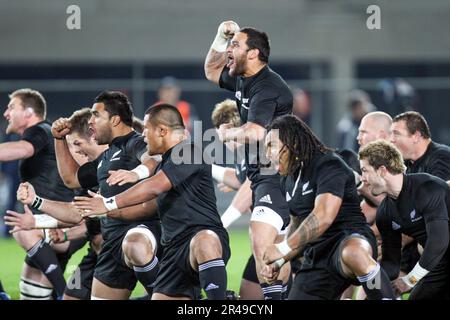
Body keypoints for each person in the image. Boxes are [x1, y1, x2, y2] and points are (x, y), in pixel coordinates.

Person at [74, 104, 230, 300]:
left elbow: (154, 187)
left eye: (147, 129)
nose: (144, 135)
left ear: (162, 131)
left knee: (204, 240)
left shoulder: (189, 151)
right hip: (173, 252)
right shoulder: (165, 163)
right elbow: (149, 204)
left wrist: (109, 203)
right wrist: (106, 210)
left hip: (200, 241)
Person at [262, 115, 395, 300]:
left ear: (291, 142)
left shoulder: (328, 164)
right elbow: (297, 224)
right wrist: (280, 260)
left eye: (271, 146)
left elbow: (323, 216)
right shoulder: (288, 178)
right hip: (317, 253)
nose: (267, 153)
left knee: (354, 253)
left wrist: (283, 247)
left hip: (349, 237)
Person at [204, 21, 292, 299]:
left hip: (276, 176)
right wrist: (220, 36)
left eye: (235, 45)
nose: (229, 50)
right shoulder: (243, 78)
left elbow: (255, 131)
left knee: (261, 240)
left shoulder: (267, 86)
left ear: (253, 53)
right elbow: (210, 70)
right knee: (271, 251)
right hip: (263, 175)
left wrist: (229, 133)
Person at [52, 91, 161, 300]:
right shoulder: (107, 156)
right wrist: (59, 140)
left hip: (145, 232)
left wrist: (135, 173)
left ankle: (173, 295)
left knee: (135, 244)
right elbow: (71, 179)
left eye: (96, 115)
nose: (91, 121)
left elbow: (153, 158)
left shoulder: (135, 143)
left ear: (115, 119)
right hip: (112, 244)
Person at [5, 108, 106, 300]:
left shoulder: (113, 165)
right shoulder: (86, 174)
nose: (73, 151)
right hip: (91, 248)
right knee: (34, 292)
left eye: (76, 144)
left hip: (117, 248)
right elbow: (78, 215)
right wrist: (36, 208)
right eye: (69, 146)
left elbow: (85, 219)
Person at [1, 88, 74, 299]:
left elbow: (23, 149)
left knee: (20, 228)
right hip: (49, 224)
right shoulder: (45, 132)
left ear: (29, 112)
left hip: (61, 223)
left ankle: (63, 293)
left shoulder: (40, 130)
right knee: (31, 293)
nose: (6, 113)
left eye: (11, 107)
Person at [359, 140, 450, 299]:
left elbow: (439, 242)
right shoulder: (385, 213)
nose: (362, 178)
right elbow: (391, 265)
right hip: (438, 265)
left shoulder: (427, 187)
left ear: (382, 170)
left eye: (365, 171)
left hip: (438, 254)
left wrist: (410, 279)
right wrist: (368, 280)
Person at [391, 111, 450, 180]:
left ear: (416, 136)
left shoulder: (443, 157)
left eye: (396, 134)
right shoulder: (408, 162)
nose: (391, 139)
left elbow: (439, 189)